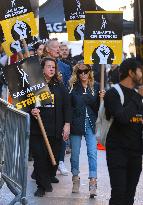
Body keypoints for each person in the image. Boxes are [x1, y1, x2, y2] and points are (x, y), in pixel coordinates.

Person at [104, 58, 143, 205]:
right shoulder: (113, 93)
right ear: (131, 72)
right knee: (119, 194)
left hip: (136, 152)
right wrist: (139, 96)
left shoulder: (138, 94)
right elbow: (122, 118)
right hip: (117, 150)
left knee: (129, 195)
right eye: (140, 70)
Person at [30, 57, 71, 197]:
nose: (52, 69)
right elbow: (25, 103)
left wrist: (67, 124)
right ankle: (41, 186)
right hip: (38, 130)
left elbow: (67, 106)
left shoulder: (59, 86)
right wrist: (31, 110)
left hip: (55, 129)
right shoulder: (34, 85)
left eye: (53, 67)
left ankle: (47, 178)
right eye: (49, 66)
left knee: (51, 159)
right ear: (42, 69)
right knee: (40, 158)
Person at [69, 63, 104, 197]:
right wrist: (67, 124)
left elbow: (98, 109)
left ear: (90, 72)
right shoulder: (72, 87)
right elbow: (69, 106)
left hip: (91, 123)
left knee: (92, 152)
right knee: (75, 154)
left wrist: (102, 99)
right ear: (77, 74)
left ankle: (93, 182)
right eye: (80, 72)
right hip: (76, 123)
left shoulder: (96, 87)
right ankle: (75, 178)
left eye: (86, 71)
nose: (83, 74)